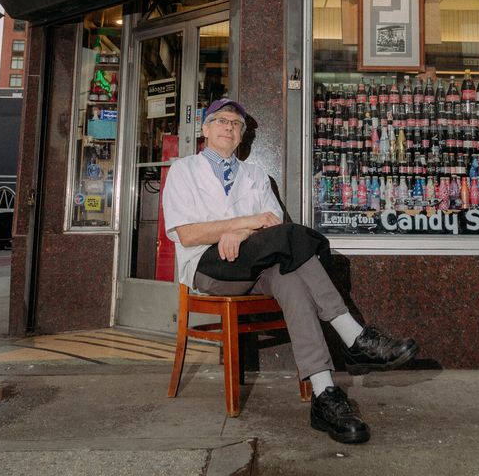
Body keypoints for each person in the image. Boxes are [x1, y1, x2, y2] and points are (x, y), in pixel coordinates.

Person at [163, 98, 419, 444]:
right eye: (221, 120)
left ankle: (325, 395)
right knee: (294, 238)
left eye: (236, 124)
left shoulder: (256, 176)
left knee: (293, 278)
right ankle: (353, 336)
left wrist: (242, 233)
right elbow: (188, 234)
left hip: (256, 268)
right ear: (205, 130)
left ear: (242, 135)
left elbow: (271, 228)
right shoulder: (183, 170)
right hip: (209, 267)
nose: (229, 127)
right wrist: (243, 223)